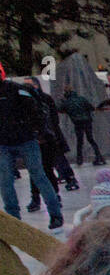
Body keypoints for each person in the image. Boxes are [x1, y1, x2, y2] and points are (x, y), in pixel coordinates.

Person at [0, 73, 63, 229]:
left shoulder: (16, 89)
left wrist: (39, 132)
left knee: (38, 176)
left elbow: (35, 111)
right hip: (6, 142)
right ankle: (14, 219)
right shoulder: (18, 89)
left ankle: (55, 214)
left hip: (25, 140)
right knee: (6, 181)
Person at [22, 77, 77, 215]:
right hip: (34, 140)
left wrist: (45, 133)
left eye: (28, 85)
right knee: (35, 171)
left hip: (48, 139)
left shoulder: (45, 99)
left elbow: (53, 119)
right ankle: (36, 198)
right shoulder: (22, 101)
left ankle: (57, 192)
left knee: (48, 168)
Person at [58, 85, 105, 166]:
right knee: (91, 139)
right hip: (87, 121)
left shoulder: (66, 102)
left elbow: (60, 110)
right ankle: (99, 156)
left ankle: (79, 159)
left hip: (77, 122)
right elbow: (91, 108)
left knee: (80, 141)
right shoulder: (82, 99)